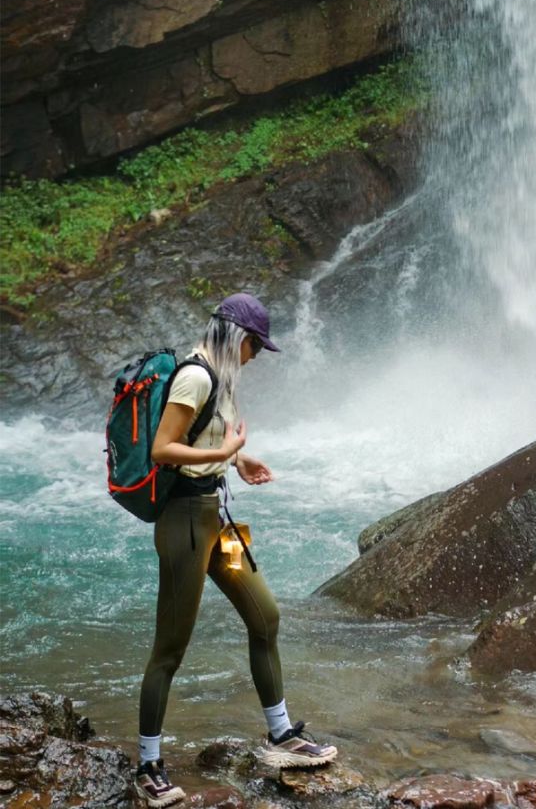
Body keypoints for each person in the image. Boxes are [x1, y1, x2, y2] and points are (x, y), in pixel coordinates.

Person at [135, 293, 337, 808]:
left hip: (217, 520)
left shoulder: (220, 378)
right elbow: (163, 447)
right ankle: (149, 765)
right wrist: (222, 453)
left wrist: (238, 460)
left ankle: (282, 737)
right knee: (169, 649)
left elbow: (209, 438)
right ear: (235, 335)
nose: (255, 356)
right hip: (184, 523)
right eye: (254, 346)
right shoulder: (195, 376)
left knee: (265, 616)